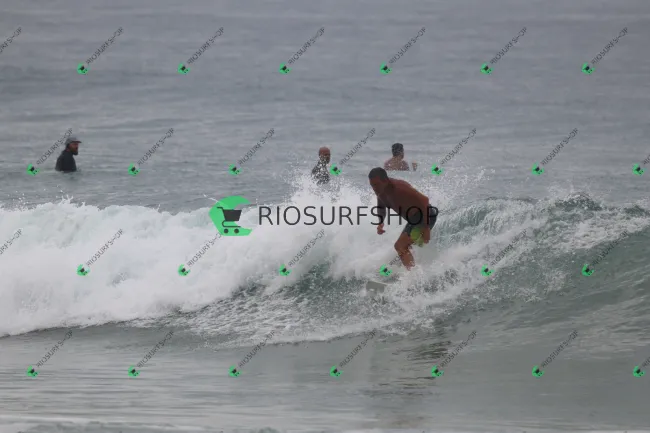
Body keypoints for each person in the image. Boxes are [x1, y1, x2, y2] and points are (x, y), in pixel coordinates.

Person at [369, 167, 438, 270]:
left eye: (376, 184)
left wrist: (426, 227)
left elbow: (424, 200)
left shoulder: (399, 187)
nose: (374, 188)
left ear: (385, 180)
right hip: (414, 220)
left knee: (399, 246)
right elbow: (381, 207)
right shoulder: (380, 191)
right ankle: (414, 269)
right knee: (405, 247)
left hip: (425, 215)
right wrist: (381, 222)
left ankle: (413, 275)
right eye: (372, 185)